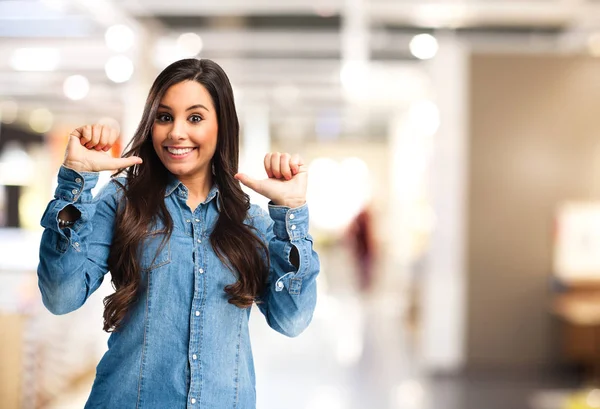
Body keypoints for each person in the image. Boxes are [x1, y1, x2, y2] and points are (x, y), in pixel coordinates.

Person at [37, 58, 320, 409]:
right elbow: (60, 297)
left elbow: (292, 320)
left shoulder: (250, 221)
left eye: (196, 118)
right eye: (165, 116)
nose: (176, 133)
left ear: (222, 127)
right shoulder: (122, 201)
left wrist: (291, 215)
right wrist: (75, 183)